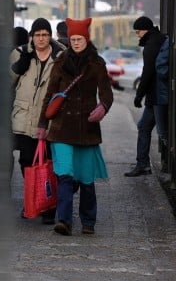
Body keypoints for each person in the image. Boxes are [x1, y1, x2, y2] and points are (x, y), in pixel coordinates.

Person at [37, 17, 112, 236]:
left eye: (80, 39)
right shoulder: (60, 62)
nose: (76, 43)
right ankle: (64, 221)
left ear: (87, 39)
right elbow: (49, 96)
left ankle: (88, 222)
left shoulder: (97, 64)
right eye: (73, 39)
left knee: (86, 179)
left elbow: (106, 92)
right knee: (65, 175)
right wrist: (43, 124)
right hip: (61, 128)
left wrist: (103, 107)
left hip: (87, 128)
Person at [11, 17, 65, 223]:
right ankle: (33, 201)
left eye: (45, 35)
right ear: (31, 36)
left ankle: (49, 206)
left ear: (50, 36)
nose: (41, 39)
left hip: (50, 120)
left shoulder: (60, 56)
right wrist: (18, 67)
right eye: (37, 35)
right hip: (24, 118)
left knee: (48, 163)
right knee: (27, 163)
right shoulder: (20, 53)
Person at [126, 16, 170, 176]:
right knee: (143, 126)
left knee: (163, 133)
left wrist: (139, 95)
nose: (138, 35)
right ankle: (143, 164)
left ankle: (168, 164)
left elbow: (148, 72)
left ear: (145, 29)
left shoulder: (151, 44)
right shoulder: (157, 39)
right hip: (156, 95)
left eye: (138, 31)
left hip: (159, 95)